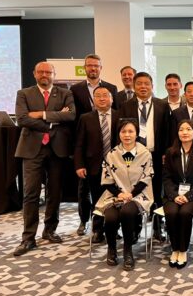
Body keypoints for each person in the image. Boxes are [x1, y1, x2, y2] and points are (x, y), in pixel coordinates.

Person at [13, 62, 76, 256]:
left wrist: (41, 114)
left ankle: (50, 230)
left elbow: (71, 115)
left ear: (54, 74)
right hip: (32, 149)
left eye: (48, 72)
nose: (44, 75)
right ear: (34, 74)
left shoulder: (65, 93)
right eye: (41, 71)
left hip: (57, 149)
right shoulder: (24, 94)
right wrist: (51, 123)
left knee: (54, 192)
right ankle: (28, 238)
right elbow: (22, 119)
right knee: (30, 194)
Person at [118, 71, 170, 240]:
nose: (143, 87)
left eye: (146, 83)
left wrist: (166, 153)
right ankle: (136, 228)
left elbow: (167, 131)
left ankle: (157, 227)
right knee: (135, 191)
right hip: (133, 157)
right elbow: (121, 131)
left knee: (156, 191)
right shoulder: (126, 106)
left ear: (152, 86)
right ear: (134, 86)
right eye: (139, 83)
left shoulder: (162, 105)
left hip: (156, 155)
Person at [95, 119, 154, 271]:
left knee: (127, 212)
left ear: (136, 134)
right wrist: (120, 194)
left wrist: (131, 194)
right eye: (123, 132)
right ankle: (112, 249)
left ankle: (128, 251)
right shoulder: (112, 154)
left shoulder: (145, 153)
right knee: (110, 217)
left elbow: (146, 178)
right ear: (119, 134)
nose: (127, 135)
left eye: (130, 131)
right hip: (115, 195)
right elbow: (107, 180)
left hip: (138, 195)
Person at [74, 86, 119, 241]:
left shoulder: (119, 116)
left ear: (111, 99)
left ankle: (114, 229)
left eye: (105, 95)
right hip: (94, 166)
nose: (102, 98)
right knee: (97, 199)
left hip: (116, 166)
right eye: (98, 96)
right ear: (93, 100)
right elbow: (79, 144)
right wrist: (79, 165)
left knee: (116, 199)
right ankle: (98, 230)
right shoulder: (85, 118)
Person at [162, 119, 193, 268]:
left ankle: (183, 250)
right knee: (171, 213)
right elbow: (166, 178)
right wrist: (175, 196)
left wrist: (187, 196)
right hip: (173, 195)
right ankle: (175, 248)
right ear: (177, 133)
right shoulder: (171, 152)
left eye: (188, 129)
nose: (184, 132)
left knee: (185, 213)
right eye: (181, 129)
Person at [70, 54, 118, 121]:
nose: (93, 68)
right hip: (84, 126)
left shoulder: (112, 88)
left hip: (107, 125)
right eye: (89, 65)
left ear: (101, 68)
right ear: (84, 67)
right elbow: (74, 113)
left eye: (96, 66)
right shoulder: (75, 89)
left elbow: (115, 111)